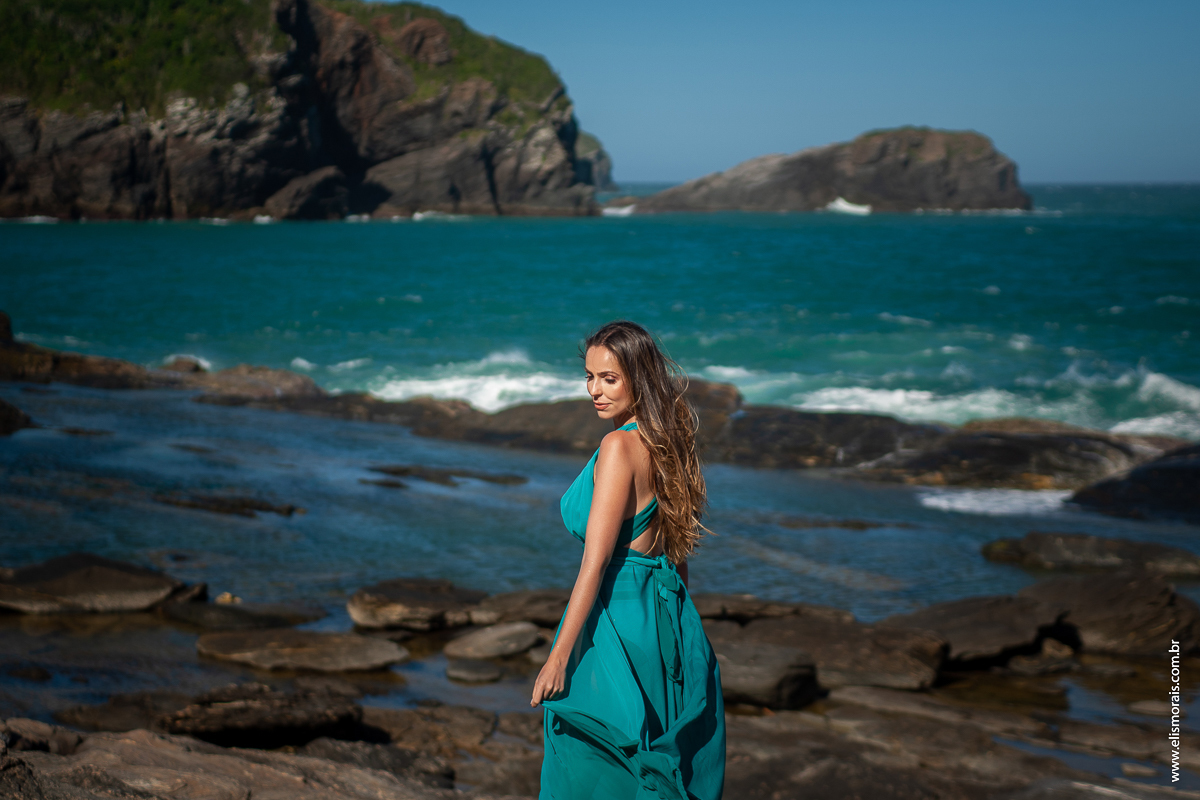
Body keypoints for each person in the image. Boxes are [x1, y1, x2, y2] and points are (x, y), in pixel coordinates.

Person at [531, 320, 725, 800]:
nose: (595, 391)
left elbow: (594, 566)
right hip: (665, 620)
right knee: (653, 755)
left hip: (615, 620)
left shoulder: (617, 447)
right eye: (589, 378)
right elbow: (677, 554)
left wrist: (558, 658)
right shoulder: (671, 442)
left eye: (609, 379)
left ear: (638, 378)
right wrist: (681, 634)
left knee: (589, 760)